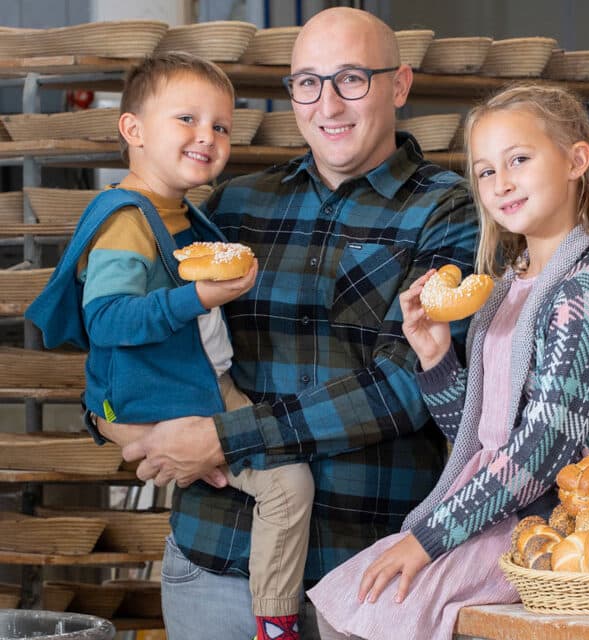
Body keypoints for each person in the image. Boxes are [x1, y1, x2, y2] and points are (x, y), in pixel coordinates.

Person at [96, 9, 478, 640]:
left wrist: (228, 437)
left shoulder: (450, 212)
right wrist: (118, 421)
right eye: (307, 82)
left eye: (351, 78)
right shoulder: (235, 204)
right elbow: (146, 330)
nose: (327, 103)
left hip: (369, 568)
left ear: (400, 85)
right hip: (219, 559)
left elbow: (409, 387)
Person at [307, 83, 589, 640]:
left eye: (519, 159)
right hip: (499, 507)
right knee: (346, 600)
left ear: (576, 160)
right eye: (486, 171)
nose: (502, 183)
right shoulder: (507, 287)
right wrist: (437, 356)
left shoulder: (585, 293)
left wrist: (429, 539)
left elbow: (540, 451)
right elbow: (479, 435)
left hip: (557, 521)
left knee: (364, 607)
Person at [26, 52, 316, 640]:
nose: (206, 136)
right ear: (132, 130)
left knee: (275, 476)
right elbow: (106, 321)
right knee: (289, 485)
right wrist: (200, 297)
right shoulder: (125, 222)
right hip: (167, 396)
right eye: (186, 119)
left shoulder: (179, 211)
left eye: (220, 126)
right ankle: (278, 625)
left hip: (201, 383)